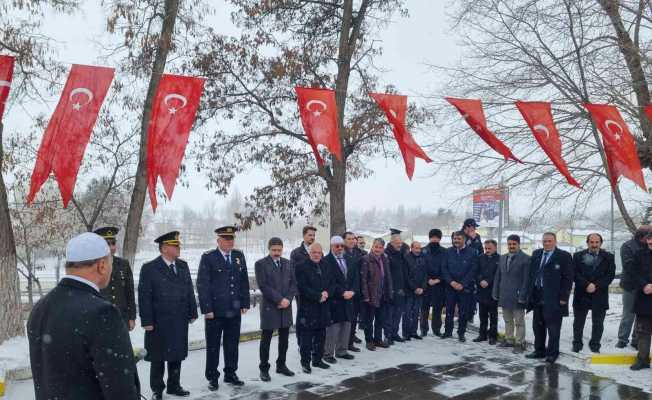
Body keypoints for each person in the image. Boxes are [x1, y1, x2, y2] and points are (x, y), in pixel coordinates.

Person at [28, 232, 139, 400]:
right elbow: (121, 389)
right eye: (110, 262)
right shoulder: (103, 313)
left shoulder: (41, 307)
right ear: (102, 265)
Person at [139, 231, 197, 399]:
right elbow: (144, 297)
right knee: (158, 356)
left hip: (179, 318)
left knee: (176, 354)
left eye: (178, 245)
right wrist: (147, 320)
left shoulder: (182, 265)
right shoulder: (150, 268)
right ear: (164, 248)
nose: (179, 248)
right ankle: (157, 389)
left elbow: (189, 291)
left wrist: (192, 311)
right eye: (175, 245)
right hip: (159, 320)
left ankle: (174, 385)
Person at [196, 226, 251, 391]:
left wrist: (244, 303)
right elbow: (203, 284)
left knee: (232, 344)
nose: (230, 242)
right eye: (226, 239)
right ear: (218, 241)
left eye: (232, 239)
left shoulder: (238, 256)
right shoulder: (209, 257)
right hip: (215, 311)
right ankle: (212, 377)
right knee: (213, 345)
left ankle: (230, 373)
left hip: (234, 310)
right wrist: (207, 309)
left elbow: (243, 281)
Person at [524, 232, 573, 364]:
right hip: (537, 295)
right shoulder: (537, 254)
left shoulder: (564, 256)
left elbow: (568, 279)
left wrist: (564, 297)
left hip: (554, 298)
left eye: (550, 241)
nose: (547, 243)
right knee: (538, 326)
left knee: (553, 328)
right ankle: (539, 351)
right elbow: (531, 274)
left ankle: (552, 353)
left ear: (555, 241)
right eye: (545, 241)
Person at [254, 237, 297, 382]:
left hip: (286, 307)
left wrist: (288, 300)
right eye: (274, 250)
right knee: (266, 340)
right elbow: (263, 286)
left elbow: (293, 285)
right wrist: (280, 299)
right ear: (269, 249)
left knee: (284, 339)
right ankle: (264, 369)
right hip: (270, 307)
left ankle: (281, 364)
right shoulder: (261, 264)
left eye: (279, 250)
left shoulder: (288, 264)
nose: (277, 253)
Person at [571, 233, 616, 353]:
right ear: (587, 243)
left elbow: (610, 275)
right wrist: (587, 284)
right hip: (582, 293)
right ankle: (577, 343)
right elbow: (574, 274)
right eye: (592, 242)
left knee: (598, 323)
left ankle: (595, 344)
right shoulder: (577, 256)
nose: (594, 245)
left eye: (597, 242)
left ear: (601, 243)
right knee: (578, 322)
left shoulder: (609, 257)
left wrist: (595, 285)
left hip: (599, 294)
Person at [295, 242, 332, 373]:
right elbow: (302, 287)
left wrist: (327, 292)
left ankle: (318, 359)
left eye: (319, 253)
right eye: (314, 253)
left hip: (323, 306)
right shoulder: (301, 267)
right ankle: (305, 362)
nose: (316, 255)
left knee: (321, 335)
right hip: (308, 307)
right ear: (309, 253)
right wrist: (317, 296)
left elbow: (331, 283)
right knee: (306, 337)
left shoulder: (325, 265)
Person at [322, 236, 359, 363]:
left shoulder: (349, 259)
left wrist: (353, 291)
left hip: (349, 298)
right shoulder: (326, 261)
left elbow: (355, 278)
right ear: (331, 246)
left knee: (346, 325)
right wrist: (342, 292)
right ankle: (327, 354)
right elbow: (328, 282)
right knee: (333, 328)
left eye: (341, 246)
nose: (339, 248)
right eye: (336, 246)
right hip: (335, 299)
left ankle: (342, 351)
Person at [492, 234, 530, 353]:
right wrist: (495, 291)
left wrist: (523, 295)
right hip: (504, 294)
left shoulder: (526, 259)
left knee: (519, 321)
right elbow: (498, 276)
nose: (511, 246)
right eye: (509, 244)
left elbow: (526, 280)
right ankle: (509, 340)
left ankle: (520, 343)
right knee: (507, 320)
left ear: (518, 244)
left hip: (518, 295)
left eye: (514, 244)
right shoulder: (502, 258)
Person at [94, 226, 136, 331]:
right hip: (100, 316)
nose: (111, 247)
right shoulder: (93, 264)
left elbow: (129, 292)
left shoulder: (123, 264)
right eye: (107, 244)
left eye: (113, 243)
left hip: (121, 316)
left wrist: (132, 317)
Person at [617, 226, 652, 349]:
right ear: (642, 237)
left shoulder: (647, 246)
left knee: (641, 314)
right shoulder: (628, 246)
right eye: (649, 236)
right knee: (628, 313)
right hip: (631, 285)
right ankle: (622, 339)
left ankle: (636, 340)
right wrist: (642, 281)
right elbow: (629, 266)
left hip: (644, 286)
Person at [442, 231, 478, 342]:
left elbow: (473, 270)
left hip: (465, 288)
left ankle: (461, 333)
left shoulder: (472, 252)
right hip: (450, 287)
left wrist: (462, 284)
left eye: (459, 239)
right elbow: (444, 268)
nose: (456, 241)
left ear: (464, 240)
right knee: (449, 310)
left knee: (463, 312)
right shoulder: (448, 252)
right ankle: (448, 331)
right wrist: (451, 282)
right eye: (454, 239)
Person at [360, 238, 393, 350]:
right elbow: (363, 279)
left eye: (380, 247)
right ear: (372, 246)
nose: (377, 249)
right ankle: (369, 341)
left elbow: (388, 277)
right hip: (371, 294)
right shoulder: (366, 259)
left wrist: (389, 292)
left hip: (383, 294)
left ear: (383, 249)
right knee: (369, 320)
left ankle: (378, 339)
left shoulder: (384, 259)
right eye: (376, 246)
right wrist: (366, 295)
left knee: (380, 319)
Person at [384, 228, 410, 344]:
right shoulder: (386, 254)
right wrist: (391, 289)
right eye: (398, 243)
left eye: (401, 243)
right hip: (391, 289)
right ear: (391, 242)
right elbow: (386, 273)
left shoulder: (401, 253)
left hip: (401, 288)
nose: (400, 245)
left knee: (398, 313)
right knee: (389, 314)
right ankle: (388, 335)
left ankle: (394, 333)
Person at [630, 233, 652, 370]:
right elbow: (633, 273)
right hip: (644, 298)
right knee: (643, 332)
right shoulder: (639, 254)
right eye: (650, 241)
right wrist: (644, 285)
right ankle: (642, 360)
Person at [421, 229, 446, 337]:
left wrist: (438, 279)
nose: (434, 239)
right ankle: (423, 329)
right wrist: (427, 280)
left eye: (437, 237)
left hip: (439, 284)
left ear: (440, 238)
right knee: (424, 309)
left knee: (438, 309)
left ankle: (436, 329)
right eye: (433, 237)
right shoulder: (423, 251)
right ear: (429, 238)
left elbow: (446, 268)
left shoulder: (445, 252)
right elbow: (421, 269)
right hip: (425, 284)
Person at [474, 239, 500, 345]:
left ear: (495, 248)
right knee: (482, 315)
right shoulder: (480, 258)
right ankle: (482, 334)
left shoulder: (500, 259)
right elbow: (476, 271)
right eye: (486, 248)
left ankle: (493, 336)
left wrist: (488, 281)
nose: (487, 250)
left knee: (493, 315)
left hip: (493, 291)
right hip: (481, 290)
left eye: (490, 248)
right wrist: (480, 280)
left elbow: (498, 274)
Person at [343, 231, 364, 351]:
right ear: (344, 240)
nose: (352, 241)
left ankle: (350, 342)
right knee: (346, 320)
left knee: (353, 319)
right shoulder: (342, 253)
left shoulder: (357, 253)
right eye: (349, 239)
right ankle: (344, 344)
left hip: (356, 291)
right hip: (345, 292)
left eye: (353, 239)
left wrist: (356, 290)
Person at [404, 241, 427, 340]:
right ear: (411, 248)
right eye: (416, 248)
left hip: (420, 291)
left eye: (419, 248)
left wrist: (422, 287)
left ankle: (414, 332)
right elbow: (406, 276)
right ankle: (406, 333)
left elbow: (425, 274)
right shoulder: (406, 258)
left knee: (416, 312)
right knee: (407, 313)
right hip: (409, 290)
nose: (418, 250)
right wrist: (415, 288)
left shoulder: (423, 258)